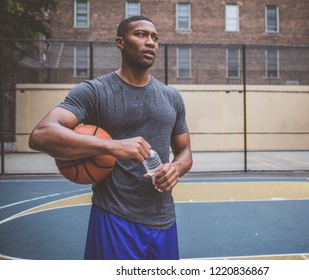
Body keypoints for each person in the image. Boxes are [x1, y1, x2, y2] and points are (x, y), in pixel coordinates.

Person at [28, 15, 193, 260]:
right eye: (141, 34)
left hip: (165, 219)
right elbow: (41, 135)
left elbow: (185, 152)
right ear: (120, 42)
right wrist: (113, 146)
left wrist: (176, 169)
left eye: (155, 38)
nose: (150, 42)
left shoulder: (171, 97)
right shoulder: (95, 91)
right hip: (116, 217)